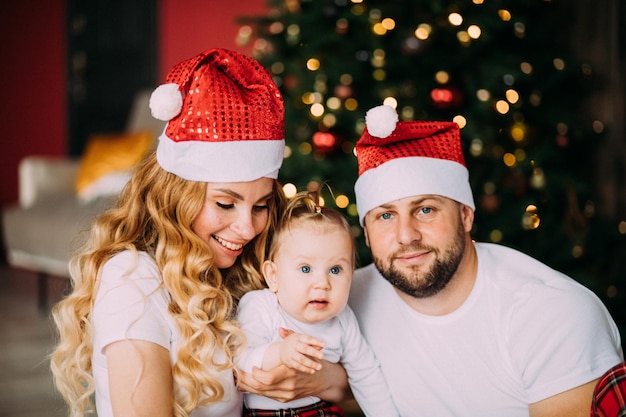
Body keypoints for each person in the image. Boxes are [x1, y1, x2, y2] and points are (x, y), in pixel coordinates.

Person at [239, 105, 624, 417]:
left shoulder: (550, 313)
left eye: (425, 210)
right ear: (367, 232)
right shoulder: (340, 295)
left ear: (466, 215)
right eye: (385, 216)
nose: (406, 235)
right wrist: (323, 381)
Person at [50, 48, 286, 417]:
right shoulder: (133, 280)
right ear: (176, 196)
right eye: (225, 204)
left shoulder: (240, 268)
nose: (247, 228)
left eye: (261, 206)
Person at [236, 191, 399, 417]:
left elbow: (366, 373)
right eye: (305, 269)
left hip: (320, 411)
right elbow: (239, 360)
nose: (322, 283)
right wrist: (279, 353)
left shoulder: (342, 319)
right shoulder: (261, 305)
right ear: (273, 276)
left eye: (335, 270)